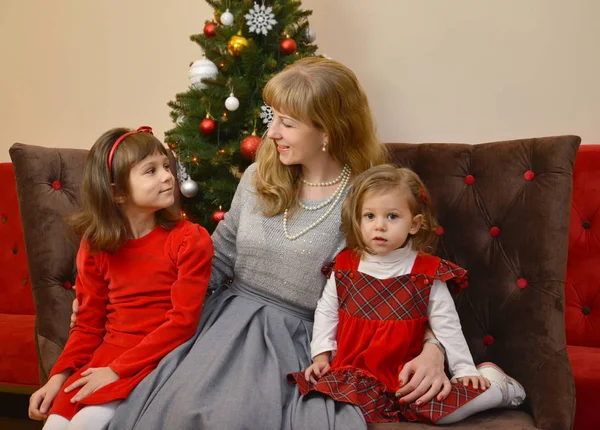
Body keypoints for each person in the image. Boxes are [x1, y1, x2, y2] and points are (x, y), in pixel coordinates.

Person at [73, 58, 452, 429]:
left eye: (286, 123)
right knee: (177, 408)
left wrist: (434, 347)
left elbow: (403, 280)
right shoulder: (258, 175)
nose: (272, 133)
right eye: (273, 118)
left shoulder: (368, 199)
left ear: (328, 131)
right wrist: (120, 303)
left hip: (297, 339)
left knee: (235, 416)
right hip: (222, 324)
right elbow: (216, 261)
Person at [289, 164, 526, 424]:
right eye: (369, 216)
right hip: (353, 371)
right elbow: (326, 311)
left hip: (406, 377)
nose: (379, 226)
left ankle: (498, 388)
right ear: (358, 219)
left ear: (414, 224)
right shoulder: (345, 264)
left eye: (392, 216)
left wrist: (463, 369)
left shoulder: (425, 272)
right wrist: (321, 355)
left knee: (438, 412)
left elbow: (446, 322)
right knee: (325, 403)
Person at [29, 126, 214, 430]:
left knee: (86, 424)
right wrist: (57, 378)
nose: (167, 176)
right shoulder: (96, 245)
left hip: (158, 356)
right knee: (57, 424)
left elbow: (182, 323)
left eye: (166, 166)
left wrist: (116, 371)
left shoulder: (190, 240)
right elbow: (88, 324)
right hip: (108, 355)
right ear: (117, 193)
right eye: (150, 171)